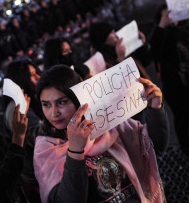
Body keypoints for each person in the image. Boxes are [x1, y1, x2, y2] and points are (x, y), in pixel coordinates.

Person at [34, 65, 169, 203]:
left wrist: (155, 108)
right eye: (46, 104)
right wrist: (75, 151)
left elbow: (157, 146)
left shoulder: (108, 123)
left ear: (77, 98)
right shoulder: (47, 148)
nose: (54, 113)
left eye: (61, 102)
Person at [149, 4, 189, 156]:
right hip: (176, 86)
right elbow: (154, 52)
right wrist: (162, 25)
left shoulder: (184, 29)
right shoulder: (161, 33)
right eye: (166, 15)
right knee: (182, 119)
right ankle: (185, 150)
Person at [4, 59, 43, 203]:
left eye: (37, 73)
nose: (39, 77)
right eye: (32, 75)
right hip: (37, 178)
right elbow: (37, 137)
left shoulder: (33, 99)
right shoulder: (17, 108)